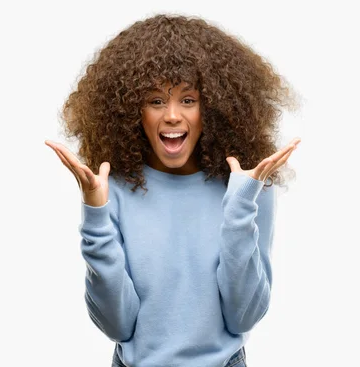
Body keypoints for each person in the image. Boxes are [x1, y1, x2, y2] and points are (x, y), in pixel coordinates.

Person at [45, 14, 301, 367]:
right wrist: (95, 215)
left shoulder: (246, 186)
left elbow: (243, 317)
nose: (172, 116)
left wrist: (240, 208)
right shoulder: (113, 187)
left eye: (187, 100)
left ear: (211, 107)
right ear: (133, 111)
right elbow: (117, 325)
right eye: (155, 101)